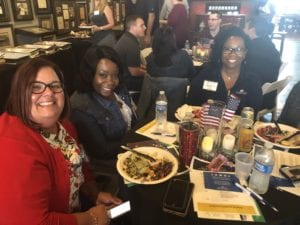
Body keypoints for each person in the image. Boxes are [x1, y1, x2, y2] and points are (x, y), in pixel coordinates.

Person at [0, 58, 122, 225]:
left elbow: (79, 164)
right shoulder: (14, 146)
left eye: (54, 86)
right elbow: (33, 222)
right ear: (19, 93)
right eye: (36, 87)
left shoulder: (64, 126)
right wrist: (90, 218)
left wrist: (95, 194)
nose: (48, 93)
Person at [70, 46, 136, 177]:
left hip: (130, 149)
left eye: (115, 75)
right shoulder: (82, 107)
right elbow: (102, 151)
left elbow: (133, 118)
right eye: (103, 75)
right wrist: (136, 143)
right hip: (110, 166)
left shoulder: (118, 88)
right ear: (90, 73)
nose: (111, 82)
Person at [187, 26, 263, 115]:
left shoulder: (252, 81)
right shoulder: (205, 75)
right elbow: (191, 106)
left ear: (245, 53)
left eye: (238, 49)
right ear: (220, 51)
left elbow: (252, 114)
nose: (232, 54)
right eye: (227, 49)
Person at [244, 16, 281, 110]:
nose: (243, 30)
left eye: (245, 27)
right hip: (269, 97)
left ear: (252, 30)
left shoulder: (252, 49)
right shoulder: (269, 44)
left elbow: (246, 75)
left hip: (256, 100)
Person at [115, 15, 147, 92]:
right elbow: (134, 72)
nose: (145, 27)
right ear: (133, 27)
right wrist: (149, 74)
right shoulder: (131, 43)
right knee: (154, 83)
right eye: (141, 25)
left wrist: (146, 68)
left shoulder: (127, 37)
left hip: (121, 77)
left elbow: (133, 64)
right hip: (125, 82)